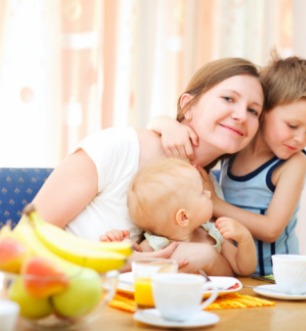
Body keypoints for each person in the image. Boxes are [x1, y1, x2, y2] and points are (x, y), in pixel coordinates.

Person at [32, 57, 265, 275]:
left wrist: (210, 258)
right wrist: (124, 262)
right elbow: (26, 239)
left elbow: (227, 271)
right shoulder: (118, 147)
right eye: (228, 98)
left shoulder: (208, 189)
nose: (241, 116)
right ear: (188, 105)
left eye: (253, 110)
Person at [150, 52, 306, 275]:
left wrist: (216, 204)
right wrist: (167, 124)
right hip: (233, 268)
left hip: (276, 277)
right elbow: (193, 134)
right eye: (292, 125)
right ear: (264, 111)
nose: (300, 138)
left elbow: (271, 229)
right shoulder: (236, 145)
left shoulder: (293, 162)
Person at [101, 158, 257, 276]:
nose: (209, 194)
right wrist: (122, 246)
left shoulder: (213, 234)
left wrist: (245, 239)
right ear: (183, 217)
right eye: (202, 193)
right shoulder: (155, 246)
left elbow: (243, 269)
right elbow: (133, 269)